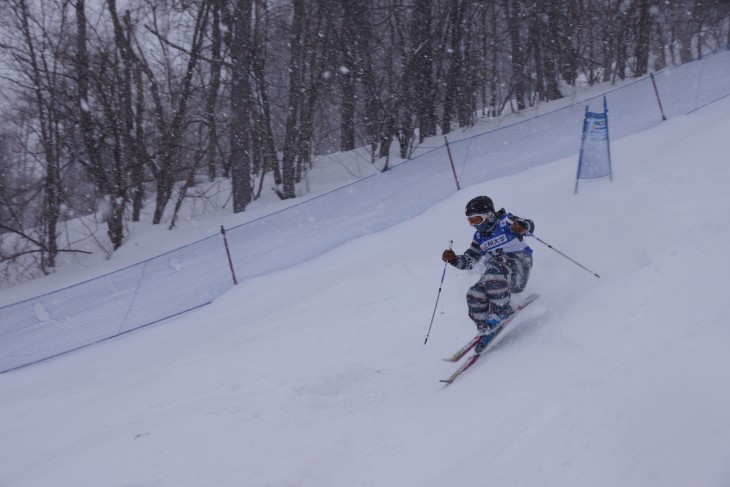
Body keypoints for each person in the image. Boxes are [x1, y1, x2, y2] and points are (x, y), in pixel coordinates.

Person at [441, 196, 534, 353]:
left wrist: (522, 226)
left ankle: (500, 313)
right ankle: (484, 326)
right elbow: (469, 261)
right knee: (473, 293)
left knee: (494, 271)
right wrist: (454, 259)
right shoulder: (479, 238)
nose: (475, 225)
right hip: (498, 280)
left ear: (489, 215)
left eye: (477, 219)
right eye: (471, 221)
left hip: (518, 268)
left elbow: (529, 225)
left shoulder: (506, 222)